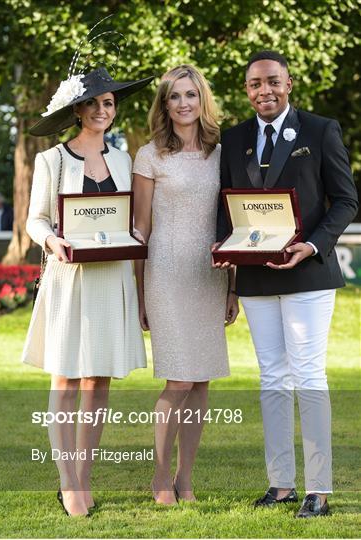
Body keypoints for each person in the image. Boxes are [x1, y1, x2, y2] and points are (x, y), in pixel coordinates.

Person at [216, 50, 358, 517]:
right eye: (255, 85)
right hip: (256, 277)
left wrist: (314, 245)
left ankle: (318, 489)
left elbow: (345, 200)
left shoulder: (320, 130)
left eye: (273, 82)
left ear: (289, 83)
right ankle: (281, 485)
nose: (265, 91)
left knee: (308, 374)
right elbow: (227, 209)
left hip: (309, 274)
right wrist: (225, 251)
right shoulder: (234, 139)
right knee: (272, 377)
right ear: (247, 91)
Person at [22, 63, 153, 516]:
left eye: (109, 103)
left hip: (112, 276)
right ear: (78, 110)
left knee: (98, 379)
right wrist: (50, 240)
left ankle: (84, 474)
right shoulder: (51, 160)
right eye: (94, 103)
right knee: (67, 377)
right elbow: (35, 219)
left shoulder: (123, 160)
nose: (102, 110)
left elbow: (129, 221)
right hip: (69, 279)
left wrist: (138, 240)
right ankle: (67, 480)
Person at [133, 64, 238, 505]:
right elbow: (140, 229)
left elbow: (232, 223)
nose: (183, 104)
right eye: (174, 96)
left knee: (201, 382)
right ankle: (160, 477)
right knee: (178, 380)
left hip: (209, 274)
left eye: (191, 95)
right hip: (166, 272)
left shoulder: (222, 153)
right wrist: (138, 293)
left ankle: (185, 478)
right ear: (164, 103)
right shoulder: (149, 155)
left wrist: (233, 286)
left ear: (202, 100)